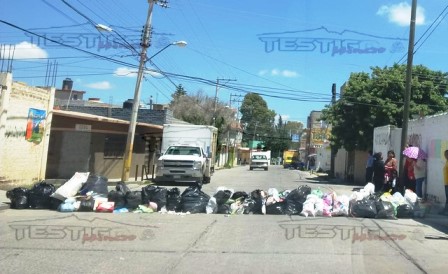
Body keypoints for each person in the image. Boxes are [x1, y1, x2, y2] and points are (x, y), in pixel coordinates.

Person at [440, 149, 448, 215]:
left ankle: (445, 211)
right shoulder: (446, 161)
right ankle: (445, 211)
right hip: (446, 182)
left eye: (445, 154)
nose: (445, 156)